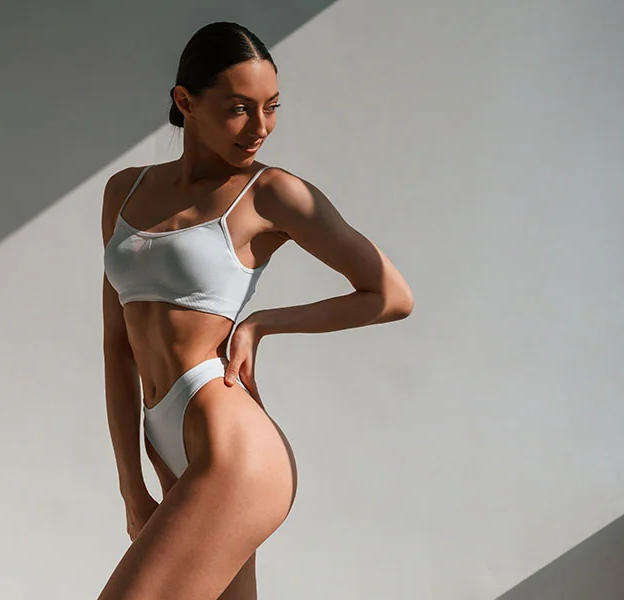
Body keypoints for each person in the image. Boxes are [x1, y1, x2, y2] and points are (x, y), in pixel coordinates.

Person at [98, 21, 414, 599]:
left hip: (231, 445)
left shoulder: (269, 194)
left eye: (272, 107)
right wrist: (130, 483)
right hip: (167, 437)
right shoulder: (124, 191)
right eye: (240, 108)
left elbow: (390, 295)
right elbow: (116, 344)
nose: (261, 128)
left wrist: (263, 322)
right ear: (185, 102)